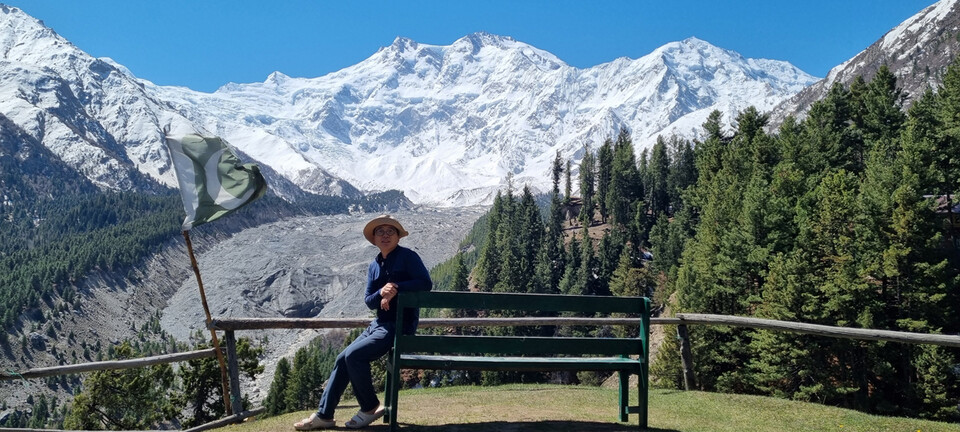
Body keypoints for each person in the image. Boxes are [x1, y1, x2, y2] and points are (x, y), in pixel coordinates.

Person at [294, 215, 432, 430]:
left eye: (390, 231)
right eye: (380, 231)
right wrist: (381, 292)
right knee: (342, 358)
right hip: (379, 323)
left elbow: (425, 283)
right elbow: (369, 301)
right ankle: (325, 415)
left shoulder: (408, 257)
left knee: (355, 355)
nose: (385, 235)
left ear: (398, 236)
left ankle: (369, 407)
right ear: (374, 238)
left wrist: (394, 286)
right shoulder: (374, 265)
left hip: (399, 325)